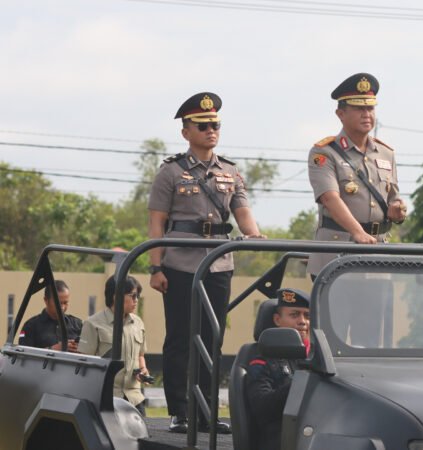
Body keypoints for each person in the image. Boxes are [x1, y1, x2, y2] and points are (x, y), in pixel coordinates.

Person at [147, 92, 263, 434]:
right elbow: (157, 221)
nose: (211, 130)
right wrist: (156, 267)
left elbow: (243, 212)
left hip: (219, 263)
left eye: (215, 124)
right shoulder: (170, 171)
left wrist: (254, 235)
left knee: (212, 339)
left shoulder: (230, 170)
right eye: (203, 125)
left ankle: (206, 411)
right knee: (181, 337)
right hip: (180, 263)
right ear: (186, 132)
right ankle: (180, 411)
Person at [306, 73, 406, 346]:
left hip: (377, 258)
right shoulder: (324, 152)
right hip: (336, 253)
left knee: (371, 342)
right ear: (341, 113)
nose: (367, 114)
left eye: (370, 108)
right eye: (359, 108)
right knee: (330, 339)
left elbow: (392, 196)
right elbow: (329, 198)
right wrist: (357, 232)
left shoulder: (386, 153)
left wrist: (397, 210)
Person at [245, 288, 311, 450]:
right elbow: (262, 407)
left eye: (307, 316)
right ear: (277, 319)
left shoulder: (317, 359)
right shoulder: (261, 361)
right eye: (294, 315)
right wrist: (298, 384)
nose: (303, 321)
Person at [78, 276, 150, 415]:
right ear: (116, 297)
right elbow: (85, 361)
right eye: (133, 295)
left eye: (138, 295)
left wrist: (143, 370)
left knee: (143, 437)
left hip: (135, 399)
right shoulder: (93, 323)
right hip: (107, 398)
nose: (137, 300)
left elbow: (140, 355)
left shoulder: (138, 323)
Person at [19, 280, 82, 352]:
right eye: (58, 303)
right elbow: (23, 355)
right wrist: (52, 349)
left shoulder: (78, 324)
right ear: (46, 300)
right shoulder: (30, 326)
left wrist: (79, 349)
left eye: (65, 303)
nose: (62, 307)